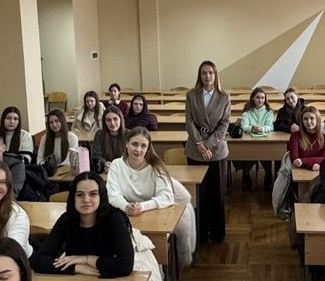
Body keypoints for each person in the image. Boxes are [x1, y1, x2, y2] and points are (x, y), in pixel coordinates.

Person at [107, 127, 196, 267]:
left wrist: (142, 206)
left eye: (143, 146)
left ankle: (158, 271)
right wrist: (126, 206)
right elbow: (112, 194)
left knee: (154, 250)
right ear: (127, 143)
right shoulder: (117, 165)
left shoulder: (155, 165)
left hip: (155, 214)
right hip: (129, 214)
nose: (138, 150)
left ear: (148, 148)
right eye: (134, 144)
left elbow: (167, 196)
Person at [31, 173, 134, 278]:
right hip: (79, 278)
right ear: (73, 198)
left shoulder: (114, 219)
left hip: (110, 279)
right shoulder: (67, 219)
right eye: (80, 195)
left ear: (101, 196)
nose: (86, 200)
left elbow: (125, 265)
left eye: (93, 194)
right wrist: (77, 267)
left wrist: (86, 259)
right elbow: (39, 261)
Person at [184, 60, 231, 244]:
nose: (207, 76)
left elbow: (224, 124)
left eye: (210, 73)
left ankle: (217, 233)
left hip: (216, 150)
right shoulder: (191, 95)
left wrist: (208, 144)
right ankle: (201, 234)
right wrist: (200, 144)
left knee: (216, 193)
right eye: (204, 73)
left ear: (215, 75)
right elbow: (189, 121)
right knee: (199, 194)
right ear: (200, 75)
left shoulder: (224, 96)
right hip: (195, 150)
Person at [236, 86, 275, 190]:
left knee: (266, 154)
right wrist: (252, 128)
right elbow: (244, 126)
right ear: (253, 98)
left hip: (265, 140)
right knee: (250, 153)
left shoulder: (269, 112)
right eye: (257, 97)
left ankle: (268, 174)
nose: (260, 100)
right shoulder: (247, 111)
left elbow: (270, 126)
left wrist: (262, 128)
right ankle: (246, 174)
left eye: (262, 98)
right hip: (250, 140)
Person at [289, 105, 325, 172]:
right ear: (302, 121)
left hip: (320, 171)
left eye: (312, 118)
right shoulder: (295, 136)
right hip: (299, 171)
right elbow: (294, 160)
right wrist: (310, 165)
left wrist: (303, 161)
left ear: (317, 119)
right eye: (305, 119)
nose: (308, 121)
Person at [90, 106, 126, 173]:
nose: (112, 123)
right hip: (105, 170)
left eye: (115, 119)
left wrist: (115, 166)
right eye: (108, 120)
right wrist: (105, 164)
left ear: (120, 119)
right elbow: (97, 155)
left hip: (124, 170)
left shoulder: (129, 134)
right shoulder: (99, 134)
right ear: (104, 122)